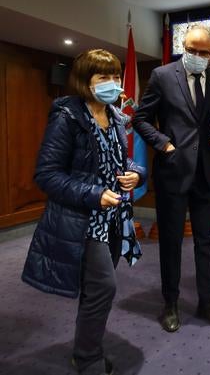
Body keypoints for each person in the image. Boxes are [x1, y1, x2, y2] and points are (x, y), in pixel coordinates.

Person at [22, 49, 146, 375]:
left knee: (95, 289)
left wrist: (137, 173)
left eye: (116, 77)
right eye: (102, 77)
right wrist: (92, 194)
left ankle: (85, 346)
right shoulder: (67, 116)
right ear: (84, 80)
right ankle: (88, 356)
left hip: (114, 216)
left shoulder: (116, 115)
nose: (112, 83)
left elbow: (115, 160)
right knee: (104, 286)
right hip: (82, 219)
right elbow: (46, 174)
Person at [133, 24, 210, 332]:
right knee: (171, 243)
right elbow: (140, 118)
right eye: (191, 50)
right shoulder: (163, 76)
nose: (197, 56)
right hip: (173, 172)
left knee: (206, 243)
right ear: (183, 46)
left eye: (203, 52)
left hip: (206, 173)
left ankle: (207, 303)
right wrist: (163, 143)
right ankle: (171, 304)